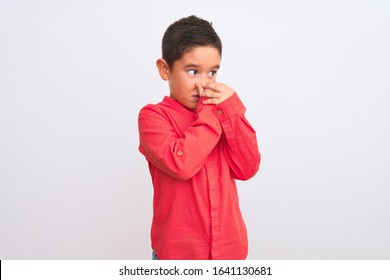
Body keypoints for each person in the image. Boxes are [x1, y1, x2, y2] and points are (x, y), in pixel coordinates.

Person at [138, 15, 261, 260]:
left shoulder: (221, 114)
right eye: (193, 72)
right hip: (179, 255)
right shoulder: (152, 117)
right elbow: (181, 164)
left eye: (212, 73)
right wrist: (212, 112)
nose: (204, 84)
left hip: (229, 251)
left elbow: (247, 168)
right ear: (165, 69)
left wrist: (233, 110)